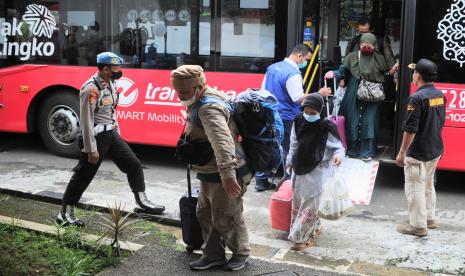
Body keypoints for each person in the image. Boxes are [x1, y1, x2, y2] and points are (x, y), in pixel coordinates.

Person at [56, 52, 165, 227]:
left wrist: (117, 132)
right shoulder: (91, 89)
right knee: (84, 175)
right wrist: (91, 148)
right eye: (116, 68)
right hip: (96, 137)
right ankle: (65, 213)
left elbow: (111, 111)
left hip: (111, 135)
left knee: (133, 164)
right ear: (106, 69)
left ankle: (142, 201)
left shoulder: (110, 83)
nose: (119, 71)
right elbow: (86, 121)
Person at [171, 65, 253, 271]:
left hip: (225, 172)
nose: (180, 95)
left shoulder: (209, 108)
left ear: (199, 86)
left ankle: (240, 253)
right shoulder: (202, 98)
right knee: (205, 213)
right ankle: (213, 255)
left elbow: (223, 143)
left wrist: (227, 175)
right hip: (209, 170)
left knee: (227, 215)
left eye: (185, 91)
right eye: (177, 90)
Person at [256, 44, 332, 191]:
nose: (306, 63)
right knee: (287, 147)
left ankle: (261, 180)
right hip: (286, 116)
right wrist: (319, 93)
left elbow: (262, 91)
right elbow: (297, 97)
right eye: (306, 59)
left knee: (268, 145)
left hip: (268, 112)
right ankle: (287, 181)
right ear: (299, 56)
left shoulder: (273, 67)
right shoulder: (293, 73)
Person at [325, 33, 399, 161]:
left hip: (373, 93)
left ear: (375, 46)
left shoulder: (379, 58)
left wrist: (390, 73)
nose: (366, 48)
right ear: (360, 45)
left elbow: (384, 74)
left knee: (369, 122)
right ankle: (352, 150)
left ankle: (367, 152)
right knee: (352, 120)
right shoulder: (352, 57)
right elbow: (343, 71)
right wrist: (334, 73)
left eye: (370, 46)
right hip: (354, 91)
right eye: (364, 45)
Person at [286, 93, 345, 251]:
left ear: (320, 111)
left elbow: (339, 147)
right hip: (299, 168)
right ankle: (315, 227)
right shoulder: (298, 121)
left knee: (309, 206)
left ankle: (301, 239)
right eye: (307, 112)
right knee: (298, 204)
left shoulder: (327, 126)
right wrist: (289, 162)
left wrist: (338, 156)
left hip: (318, 172)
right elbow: (293, 143)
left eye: (313, 113)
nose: (309, 116)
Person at [395, 59, 446, 237]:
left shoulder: (416, 98)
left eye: (414, 72)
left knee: (415, 186)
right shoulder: (439, 95)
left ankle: (417, 226)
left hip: (418, 152)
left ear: (419, 75)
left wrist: (402, 152)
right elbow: (440, 122)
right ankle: (429, 218)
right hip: (435, 149)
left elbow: (410, 129)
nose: (413, 74)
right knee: (428, 184)